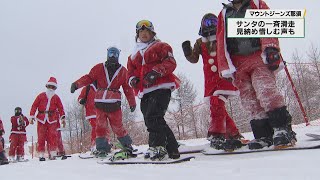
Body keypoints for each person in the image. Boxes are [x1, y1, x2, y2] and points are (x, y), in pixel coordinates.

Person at [216, 0, 296, 149]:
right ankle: (263, 135)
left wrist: (271, 48)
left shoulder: (256, 5)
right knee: (249, 100)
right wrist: (224, 66)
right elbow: (221, 40)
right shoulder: (224, 13)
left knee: (266, 90)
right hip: (238, 62)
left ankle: (282, 129)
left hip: (258, 56)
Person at [182, 13, 244, 150]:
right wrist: (187, 51)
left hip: (224, 77)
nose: (211, 26)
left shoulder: (222, 37)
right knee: (217, 107)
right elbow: (194, 59)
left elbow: (234, 51)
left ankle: (217, 135)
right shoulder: (200, 42)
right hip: (210, 80)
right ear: (203, 25)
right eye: (208, 23)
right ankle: (233, 133)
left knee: (217, 103)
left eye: (213, 23)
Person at [127, 20, 181, 160]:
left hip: (161, 87)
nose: (144, 34)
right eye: (141, 32)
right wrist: (133, 79)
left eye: (147, 31)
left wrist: (156, 72)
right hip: (145, 90)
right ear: (137, 34)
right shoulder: (134, 55)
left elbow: (170, 62)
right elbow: (130, 71)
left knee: (153, 116)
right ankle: (172, 148)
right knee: (150, 118)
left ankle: (157, 146)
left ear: (152, 33)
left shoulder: (161, 46)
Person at [70, 46, 137, 158]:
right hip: (100, 104)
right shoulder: (99, 68)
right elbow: (88, 78)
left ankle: (127, 145)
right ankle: (102, 148)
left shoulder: (123, 71)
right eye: (111, 53)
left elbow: (127, 88)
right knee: (100, 127)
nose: (112, 56)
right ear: (107, 54)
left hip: (114, 105)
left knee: (117, 127)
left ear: (118, 56)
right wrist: (76, 84)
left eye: (115, 54)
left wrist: (132, 102)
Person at [29, 77, 66, 161]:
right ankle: (41, 154)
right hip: (41, 119)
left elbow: (61, 108)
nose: (51, 89)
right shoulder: (41, 96)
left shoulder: (56, 97)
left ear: (55, 88)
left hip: (52, 119)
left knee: (53, 136)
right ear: (47, 86)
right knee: (41, 137)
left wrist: (62, 118)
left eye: (53, 87)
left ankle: (53, 153)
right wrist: (32, 116)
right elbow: (34, 105)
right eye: (50, 86)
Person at [78, 82, 98, 153]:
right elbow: (80, 98)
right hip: (91, 112)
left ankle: (105, 143)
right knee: (96, 127)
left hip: (101, 111)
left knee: (104, 127)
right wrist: (81, 100)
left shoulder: (103, 86)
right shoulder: (87, 88)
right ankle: (94, 146)